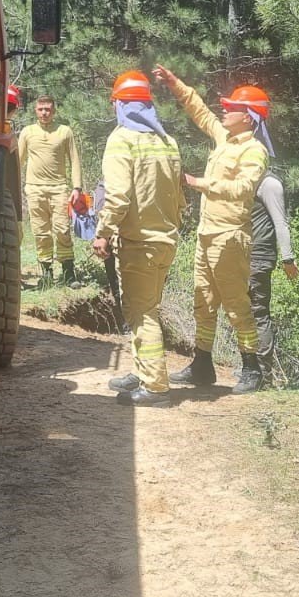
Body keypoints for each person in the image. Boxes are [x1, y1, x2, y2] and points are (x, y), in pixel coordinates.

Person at [153, 65, 269, 395]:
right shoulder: (225, 138)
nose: (225, 110)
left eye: (232, 107)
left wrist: (197, 183)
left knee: (236, 303)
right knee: (203, 301)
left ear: (248, 117)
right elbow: (200, 111)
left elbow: (244, 188)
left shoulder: (254, 151)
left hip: (230, 236)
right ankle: (202, 365)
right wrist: (175, 83)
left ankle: (251, 368)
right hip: (207, 235)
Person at [95, 71, 185, 407]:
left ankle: (155, 387)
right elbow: (179, 197)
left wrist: (102, 232)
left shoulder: (122, 140)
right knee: (146, 308)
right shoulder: (168, 141)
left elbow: (117, 197)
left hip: (139, 244)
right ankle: (143, 371)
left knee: (142, 312)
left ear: (119, 104)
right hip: (165, 241)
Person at [15, 95, 83, 288]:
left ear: (54, 111)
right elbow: (18, 161)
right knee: (41, 233)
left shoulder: (64, 131)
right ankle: (46, 274)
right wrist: (9, 186)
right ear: (35, 110)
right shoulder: (28, 132)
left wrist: (77, 187)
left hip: (59, 189)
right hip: (34, 189)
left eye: (48, 109)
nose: (44, 113)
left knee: (62, 229)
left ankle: (69, 273)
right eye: (40, 109)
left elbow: (75, 161)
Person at [251, 165, 299, 386]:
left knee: (258, 313)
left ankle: (263, 376)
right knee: (244, 313)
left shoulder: (269, 184)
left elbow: (280, 222)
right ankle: (251, 370)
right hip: (242, 256)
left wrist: (287, 258)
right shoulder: (247, 180)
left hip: (258, 258)